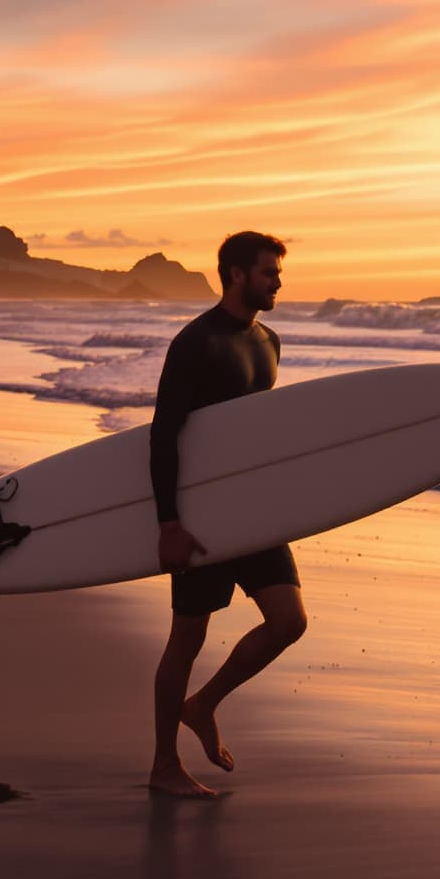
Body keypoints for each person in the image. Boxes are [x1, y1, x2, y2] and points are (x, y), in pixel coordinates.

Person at [146, 230, 301, 798]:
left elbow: (253, 433)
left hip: (252, 511)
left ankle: (203, 705)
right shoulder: (197, 342)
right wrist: (169, 523)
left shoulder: (269, 341)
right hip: (203, 515)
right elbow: (165, 435)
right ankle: (164, 766)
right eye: (268, 272)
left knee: (289, 621)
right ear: (236, 274)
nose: (278, 282)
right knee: (187, 637)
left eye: (278, 272)